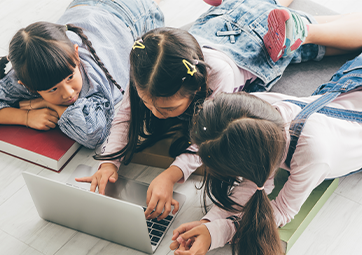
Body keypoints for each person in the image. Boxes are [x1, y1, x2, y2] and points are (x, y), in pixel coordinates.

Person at [77, 0, 362, 218]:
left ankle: (303, 31)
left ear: (195, 89)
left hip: (258, 41)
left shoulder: (219, 77)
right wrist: (108, 163)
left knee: (332, 40)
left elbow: (206, 138)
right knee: (261, 4)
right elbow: (125, 114)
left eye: (167, 108)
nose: (152, 112)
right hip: (223, 20)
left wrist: (171, 175)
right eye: (146, 101)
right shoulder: (147, 68)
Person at [169, 52, 362, 255]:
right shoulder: (253, 115)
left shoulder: (314, 153)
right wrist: (209, 223)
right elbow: (254, 183)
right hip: (346, 87)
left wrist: (220, 232)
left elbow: (281, 210)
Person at [0, 0, 164, 149]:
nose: (68, 93)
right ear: (28, 86)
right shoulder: (27, 77)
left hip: (134, 14)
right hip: (87, 11)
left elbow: (93, 134)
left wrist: (48, 103)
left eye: (70, 77)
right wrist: (25, 116)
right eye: (52, 89)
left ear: (76, 54)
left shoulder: (92, 80)